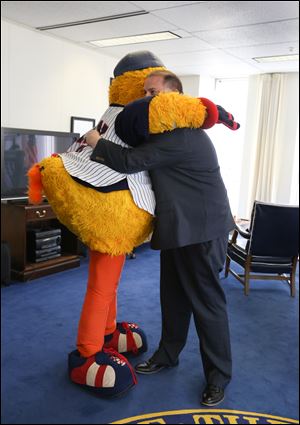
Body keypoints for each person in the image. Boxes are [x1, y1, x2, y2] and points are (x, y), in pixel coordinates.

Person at [84, 70, 236, 406]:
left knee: (207, 305)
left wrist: (96, 140)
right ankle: (168, 355)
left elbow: (130, 161)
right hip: (178, 228)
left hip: (202, 230)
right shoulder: (165, 131)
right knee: (173, 297)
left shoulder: (180, 134)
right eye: (145, 92)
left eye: (153, 92)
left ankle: (218, 378)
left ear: (173, 97)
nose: (146, 98)